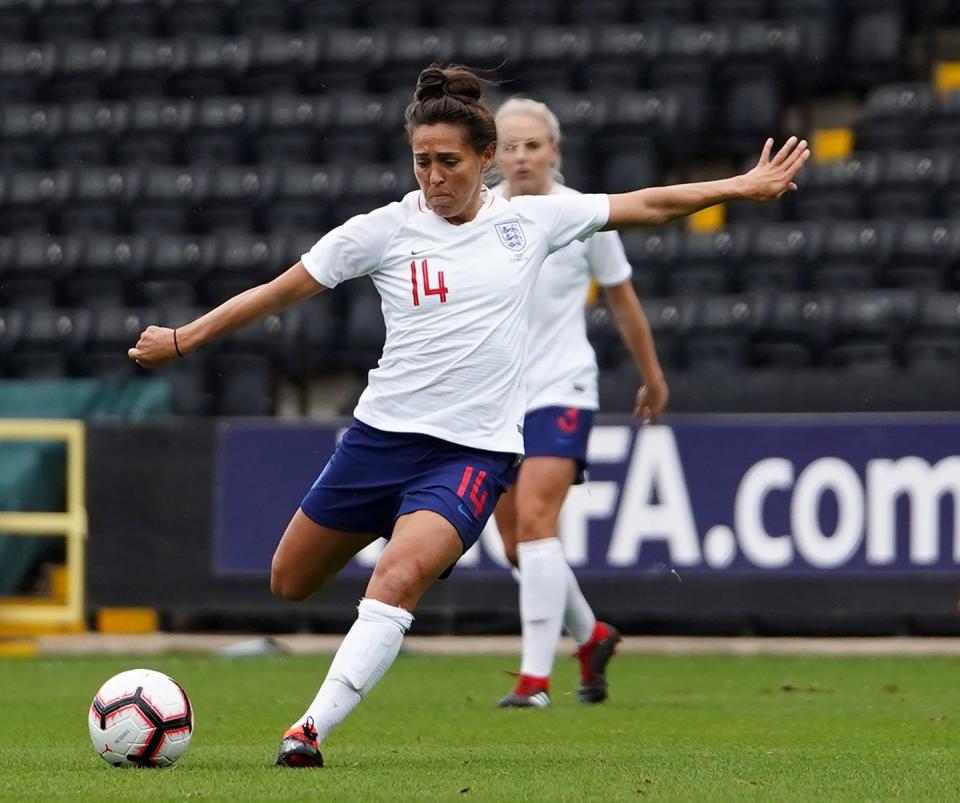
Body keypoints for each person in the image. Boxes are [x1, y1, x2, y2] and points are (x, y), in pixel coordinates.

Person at [128, 64, 809, 768]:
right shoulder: (383, 230)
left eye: (448, 161)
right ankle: (449, 566)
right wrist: (184, 338)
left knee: (394, 579)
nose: (433, 176)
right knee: (289, 579)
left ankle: (308, 729)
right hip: (376, 441)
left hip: (471, 453)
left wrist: (741, 186)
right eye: (422, 161)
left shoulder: (531, 220)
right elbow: (278, 292)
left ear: (485, 160)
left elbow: (652, 203)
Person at [491, 97, 668, 709]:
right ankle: (591, 635)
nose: (519, 157)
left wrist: (652, 375)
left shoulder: (582, 215)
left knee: (538, 524)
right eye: (508, 146)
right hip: (497, 400)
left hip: (562, 386)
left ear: (554, 151)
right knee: (516, 546)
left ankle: (533, 680)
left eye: (531, 145)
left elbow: (622, 300)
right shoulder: (477, 216)